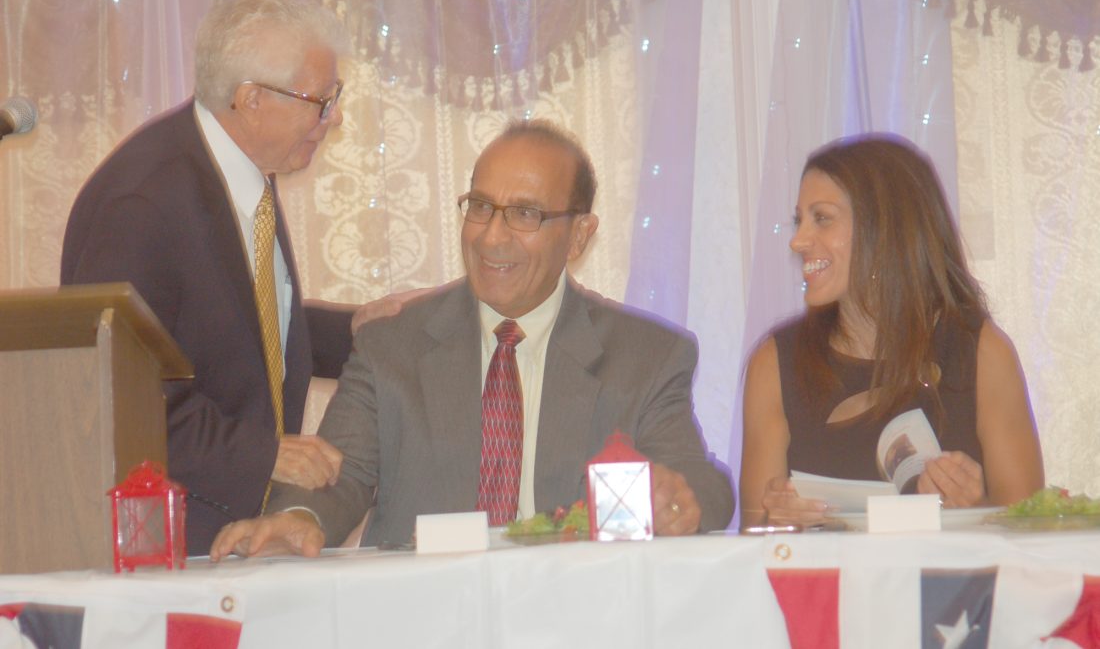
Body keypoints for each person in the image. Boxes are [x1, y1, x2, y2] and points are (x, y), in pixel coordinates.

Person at [210, 120, 735, 558]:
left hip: (574, 619)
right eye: (481, 206)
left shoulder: (644, 356)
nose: (491, 235)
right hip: (425, 618)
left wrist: (680, 501)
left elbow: (699, 481)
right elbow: (339, 473)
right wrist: (298, 519)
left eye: (525, 214)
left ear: (579, 235)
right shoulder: (392, 344)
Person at [60, 0, 416, 554]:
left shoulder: (239, 167)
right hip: (165, 545)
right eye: (321, 100)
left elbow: (236, 328)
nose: (334, 117)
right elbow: (119, 398)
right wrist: (264, 454)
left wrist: (353, 330)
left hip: (229, 532)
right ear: (251, 99)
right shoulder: (142, 205)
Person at [739, 134, 1044, 528]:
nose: (798, 241)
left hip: (950, 573)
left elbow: (1031, 533)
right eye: (800, 220)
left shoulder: (982, 352)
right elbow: (754, 534)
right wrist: (777, 521)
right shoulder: (775, 362)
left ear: (884, 227)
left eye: (822, 218)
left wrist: (976, 509)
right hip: (827, 573)